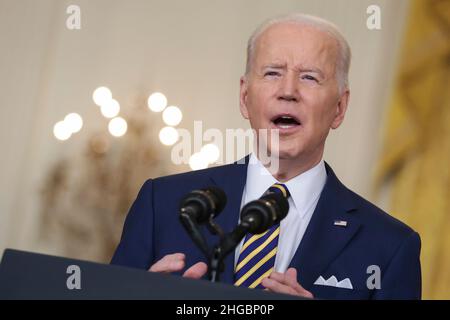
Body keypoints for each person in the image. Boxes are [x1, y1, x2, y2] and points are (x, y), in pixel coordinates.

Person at [111, 13, 421, 299]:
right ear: (245, 98)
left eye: (310, 77)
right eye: (272, 73)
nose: (288, 90)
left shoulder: (390, 246)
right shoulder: (162, 202)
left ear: (339, 108)